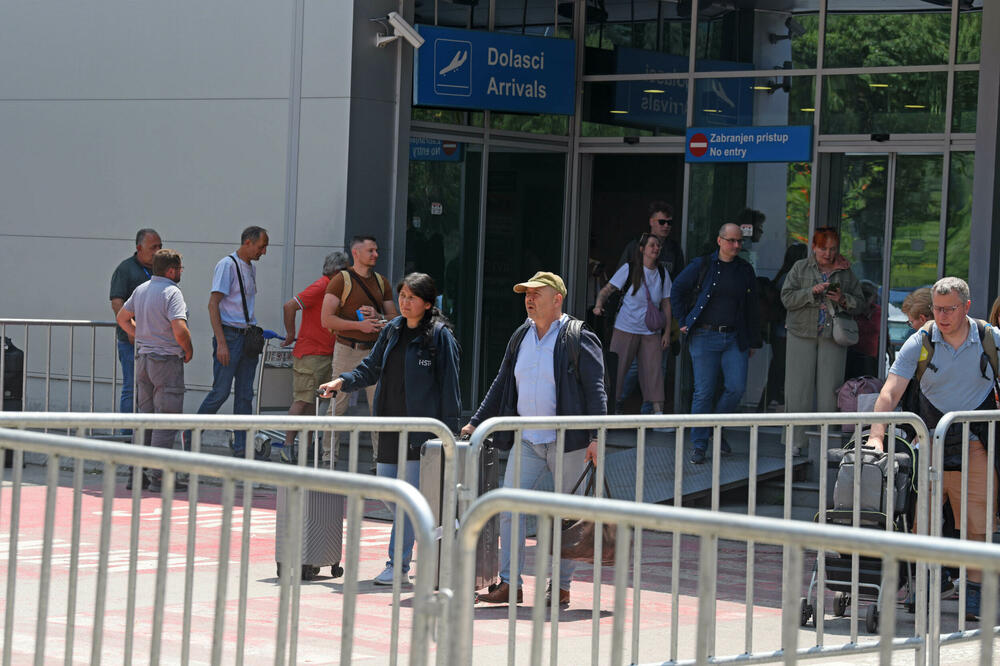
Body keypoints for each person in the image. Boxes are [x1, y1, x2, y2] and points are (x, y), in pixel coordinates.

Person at [462, 271, 607, 607]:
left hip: (568, 441)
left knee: (567, 516)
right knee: (509, 509)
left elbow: (596, 389)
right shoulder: (521, 336)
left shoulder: (578, 336)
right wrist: (475, 422)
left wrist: (597, 436)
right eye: (526, 294)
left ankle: (561, 586)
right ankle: (509, 584)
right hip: (527, 440)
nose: (529, 299)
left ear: (557, 299)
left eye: (536, 293)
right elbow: (501, 383)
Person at [867, 277, 1000, 621]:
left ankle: (974, 592)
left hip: (976, 444)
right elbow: (889, 392)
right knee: (922, 522)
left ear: (966, 307)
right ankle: (927, 582)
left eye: (949, 309)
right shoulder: (921, 340)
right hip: (929, 444)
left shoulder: (990, 339)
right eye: (937, 309)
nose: (941, 316)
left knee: (977, 524)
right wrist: (877, 436)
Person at [319, 273, 460, 586]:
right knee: (388, 490)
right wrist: (342, 381)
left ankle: (398, 566)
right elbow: (371, 368)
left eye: (412, 297)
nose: (405, 302)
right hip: (389, 425)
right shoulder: (393, 330)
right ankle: (430, 526)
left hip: (421, 431)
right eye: (403, 296)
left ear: (427, 303)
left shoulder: (439, 337)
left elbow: (450, 389)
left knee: (406, 498)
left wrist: (449, 435)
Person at [671, 223, 762, 465]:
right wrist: (683, 320)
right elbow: (677, 289)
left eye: (740, 241)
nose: (737, 245)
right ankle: (699, 444)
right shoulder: (702, 265)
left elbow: (752, 306)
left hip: (734, 337)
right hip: (704, 335)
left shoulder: (744, 269)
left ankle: (714, 426)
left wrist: (753, 339)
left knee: (736, 387)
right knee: (704, 391)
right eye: (732, 240)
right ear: (720, 241)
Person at [115, 249, 192, 492]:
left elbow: (122, 318)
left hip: (144, 360)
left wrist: (140, 334)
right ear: (170, 270)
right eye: (179, 268)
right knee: (166, 419)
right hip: (166, 361)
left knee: (145, 418)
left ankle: (137, 474)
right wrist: (188, 349)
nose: (180, 272)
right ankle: (160, 476)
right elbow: (179, 328)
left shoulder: (141, 289)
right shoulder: (172, 292)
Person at [320, 236, 398, 464]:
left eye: (376, 250)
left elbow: (395, 319)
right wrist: (359, 326)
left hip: (375, 351)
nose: (376, 255)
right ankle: (328, 457)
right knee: (337, 403)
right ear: (356, 252)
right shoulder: (340, 281)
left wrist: (379, 317)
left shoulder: (381, 282)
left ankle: (379, 459)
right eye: (370, 250)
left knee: (378, 406)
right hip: (347, 349)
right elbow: (327, 320)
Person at [195, 226, 269, 457]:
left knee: (245, 395)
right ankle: (191, 433)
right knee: (221, 392)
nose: (264, 252)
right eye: (261, 247)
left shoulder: (251, 267)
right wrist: (221, 343)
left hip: (246, 336)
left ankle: (242, 447)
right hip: (229, 335)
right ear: (248, 242)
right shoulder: (227, 265)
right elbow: (213, 304)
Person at [781, 227, 864, 417]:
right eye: (823, 248)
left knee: (830, 392)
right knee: (797, 390)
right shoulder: (800, 267)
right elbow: (786, 298)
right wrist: (811, 292)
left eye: (833, 249)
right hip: (801, 332)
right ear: (814, 247)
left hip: (833, 336)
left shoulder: (845, 271)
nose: (828, 253)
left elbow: (861, 304)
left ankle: (826, 433)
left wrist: (843, 299)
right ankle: (795, 435)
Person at [615, 202, 685, 413]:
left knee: (657, 369)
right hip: (632, 320)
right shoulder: (635, 247)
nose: (666, 226)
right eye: (662, 222)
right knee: (631, 367)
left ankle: (650, 416)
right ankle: (615, 405)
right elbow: (620, 280)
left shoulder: (673, 250)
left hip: (659, 320)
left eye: (669, 222)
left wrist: (673, 321)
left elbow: (679, 284)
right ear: (651, 222)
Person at [281, 251, 350, 458]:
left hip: (327, 353)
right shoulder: (322, 286)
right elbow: (290, 306)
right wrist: (291, 334)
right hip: (310, 354)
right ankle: (287, 446)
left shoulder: (336, 289)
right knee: (303, 400)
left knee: (314, 402)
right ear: (337, 271)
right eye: (345, 271)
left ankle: (307, 447)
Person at [593, 233, 671, 415]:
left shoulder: (662, 273)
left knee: (654, 372)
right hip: (625, 328)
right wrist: (598, 305)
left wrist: (667, 332)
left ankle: (658, 415)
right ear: (642, 249)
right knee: (617, 370)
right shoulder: (629, 268)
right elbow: (608, 289)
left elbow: (667, 303)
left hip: (651, 330)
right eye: (652, 245)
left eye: (658, 246)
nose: (656, 248)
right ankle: (610, 411)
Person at [110, 228, 162, 429]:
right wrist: (132, 329)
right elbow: (117, 303)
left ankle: (146, 434)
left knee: (153, 389)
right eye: (153, 247)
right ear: (139, 248)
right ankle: (126, 435)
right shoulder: (125, 269)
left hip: (155, 341)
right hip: (131, 341)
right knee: (132, 388)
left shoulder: (159, 270)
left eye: (160, 246)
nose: (157, 251)